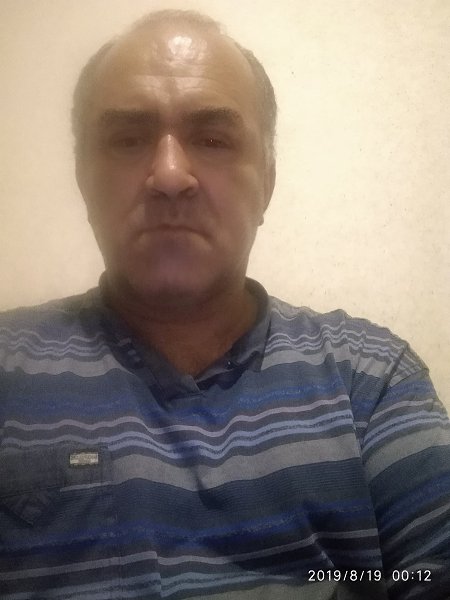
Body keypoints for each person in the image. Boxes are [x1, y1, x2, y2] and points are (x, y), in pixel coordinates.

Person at [0, 9, 449, 600]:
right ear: (83, 178)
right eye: (128, 139)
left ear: (267, 181)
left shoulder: (370, 378)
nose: (169, 175)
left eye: (212, 139)